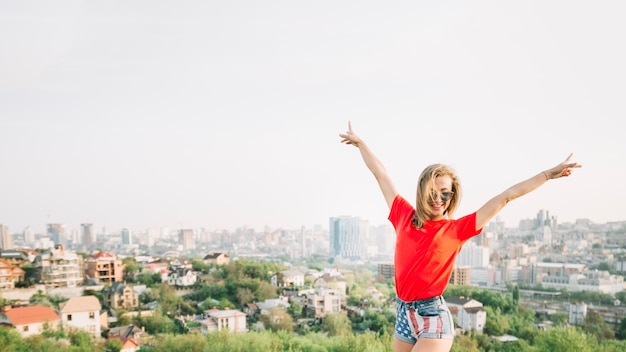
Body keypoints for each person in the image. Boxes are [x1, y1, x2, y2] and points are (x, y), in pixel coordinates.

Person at [339, 121, 581, 352]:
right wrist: (361, 144)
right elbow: (381, 174)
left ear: (452, 195)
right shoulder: (403, 215)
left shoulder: (457, 229)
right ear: (422, 192)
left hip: (433, 316)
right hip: (403, 313)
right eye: (432, 192)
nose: (438, 199)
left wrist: (548, 174)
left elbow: (507, 196)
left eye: (444, 193)